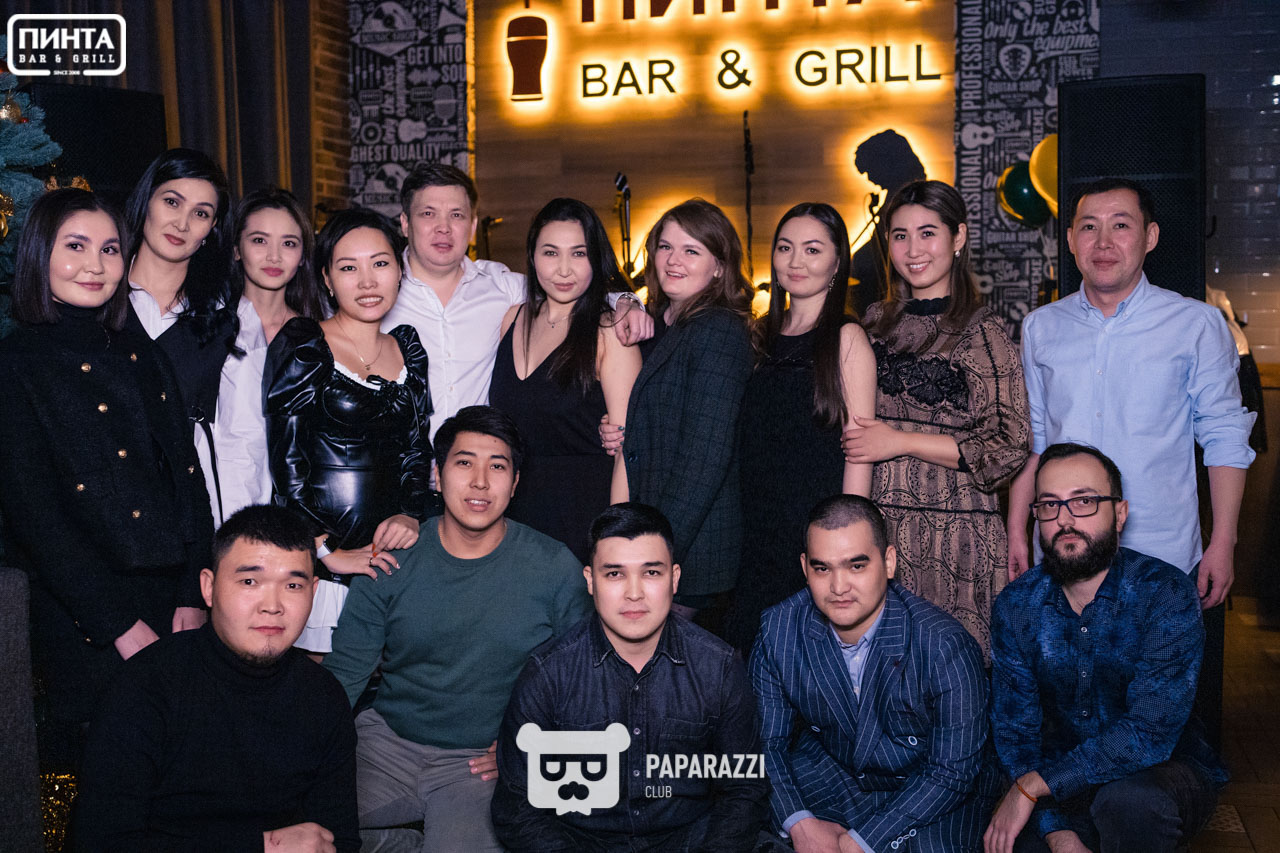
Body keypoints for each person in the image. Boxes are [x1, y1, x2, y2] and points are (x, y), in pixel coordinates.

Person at [1007, 177, 1254, 744]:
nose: (1104, 242)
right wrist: (1017, 529)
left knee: (1155, 724)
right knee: (1065, 716)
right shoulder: (1042, 327)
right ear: (1071, 240)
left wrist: (1223, 542)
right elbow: (1035, 441)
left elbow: (1223, 437)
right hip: (1064, 554)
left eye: (1121, 225)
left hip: (1161, 554)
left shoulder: (1196, 324)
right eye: (1089, 227)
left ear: (1150, 237)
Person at [323, 405, 592, 852]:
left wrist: (529, 748)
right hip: (384, 746)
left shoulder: (552, 566)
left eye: (497, 467)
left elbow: (586, 680)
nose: (480, 482)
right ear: (437, 474)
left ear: (515, 483)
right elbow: (343, 674)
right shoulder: (393, 559)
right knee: (293, 826)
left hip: (479, 766)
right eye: (464, 463)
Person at [0, 188, 212, 733]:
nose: (95, 265)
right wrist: (116, 623)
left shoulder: (143, 354)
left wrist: (193, 593)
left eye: (110, 249)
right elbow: (35, 517)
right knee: (101, 759)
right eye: (75, 246)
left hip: (170, 598)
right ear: (39, 253)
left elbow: (187, 482)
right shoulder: (15, 365)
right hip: (80, 611)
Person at [73, 505, 360, 852]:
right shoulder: (145, 686)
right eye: (249, 581)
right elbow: (99, 843)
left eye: (293, 585)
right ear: (208, 588)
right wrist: (263, 847)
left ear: (313, 592)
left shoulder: (323, 696)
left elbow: (339, 839)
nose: (272, 605)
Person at [491, 502, 773, 852]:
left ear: (675, 578)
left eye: (651, 572)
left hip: (689, 840)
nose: (634, 593)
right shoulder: (548, 674)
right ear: (590, 581)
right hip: (580, 842)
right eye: (615, 574)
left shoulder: (718, 667)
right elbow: (517, 806)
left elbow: (744, 790)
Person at [986, 443, 1225, 853]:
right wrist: (1057, 832)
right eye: (1049, 505)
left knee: (1129, 804)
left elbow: (1148, 732)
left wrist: (1035, 785)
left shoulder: (1164, 594)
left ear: (1120, 513)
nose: (1065, 519)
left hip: (1158, 774)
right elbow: (1015, 733)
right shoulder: (1017, 605)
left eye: (1084, 501)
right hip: (1056, 783)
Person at [844, 180, 1030, 658]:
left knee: (954, 676)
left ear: (958, 237)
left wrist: (900, 440)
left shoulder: (982, 330)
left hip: (960, 539)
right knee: (879, 674)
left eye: (927, 233)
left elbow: (1010, 443)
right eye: (900, 235)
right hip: (880, 530)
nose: (912, 249)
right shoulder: (872, 323)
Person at [752, 494, 998, 853]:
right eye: (822, 569)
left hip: (928, 784)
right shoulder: (779, 629)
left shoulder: (944, 646)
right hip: (835, 770)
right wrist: (799, 823)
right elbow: (764, 744)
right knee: (749, 820)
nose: (839, 587)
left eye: (856, 566)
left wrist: (863, 841)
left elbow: (951, 772)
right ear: (805, 568)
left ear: (889, 562)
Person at [264, 208, 434, 655]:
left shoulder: (409, 348)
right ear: (326, 278)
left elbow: (417, 448)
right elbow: (286, 464)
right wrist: (326, 553)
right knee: (321, 684)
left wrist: (410, 514)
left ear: (400, 269)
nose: (367, 281)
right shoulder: (303, 343)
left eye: (380, 263)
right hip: (322, 560)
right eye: (348, 268)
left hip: (395, 556)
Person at [380, 163, 650, 439]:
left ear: (472, 226)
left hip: (482, 462)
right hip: (401, 462)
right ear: (405, 223)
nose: (443, 228)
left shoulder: (500, 286)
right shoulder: (378, 293)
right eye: (428, 213)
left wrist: (627, 302)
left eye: (456, 215)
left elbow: (570, 287)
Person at [727, 202, 876, 654]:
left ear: (837, 262)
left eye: (812, 250)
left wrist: (848, 543)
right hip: (752, 532)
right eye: (785, 248)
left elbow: (860, 449)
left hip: (817, 535)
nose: (795, 261)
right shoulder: (757, 336)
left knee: (810, 661)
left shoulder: (846, 338)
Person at [616, 198, 755, 623]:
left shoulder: (717, 330)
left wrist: (657, 548)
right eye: (665, 247)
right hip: (656, 532)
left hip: (691, 549)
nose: (673, 260)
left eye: (691, 250)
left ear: (719, 267)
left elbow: (705, 456)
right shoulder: (661, 322)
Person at [488, 198, 642, 561]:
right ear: (532, 256)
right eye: (550, 253)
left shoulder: (609, 330)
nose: (563, 269)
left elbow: (628, 450)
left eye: (578, 253)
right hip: (512, 516)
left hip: (582, 517)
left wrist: (615, 538)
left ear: (596, 259)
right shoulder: (513, 319)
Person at [123, 147, 240, 523]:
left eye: (200, 213)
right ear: (146, 201)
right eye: (172, 202)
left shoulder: (222, 321)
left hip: (183, 515)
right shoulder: (98, 301)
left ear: (212, 229)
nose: (182, 223)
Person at [212, 187, 328, 523]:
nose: (274, 257)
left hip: (299, 512)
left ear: (303, 255)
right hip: (221, 502)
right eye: (259, 240)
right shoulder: (209, 327)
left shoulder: (318, 335)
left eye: (289, 243)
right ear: (237, 249)